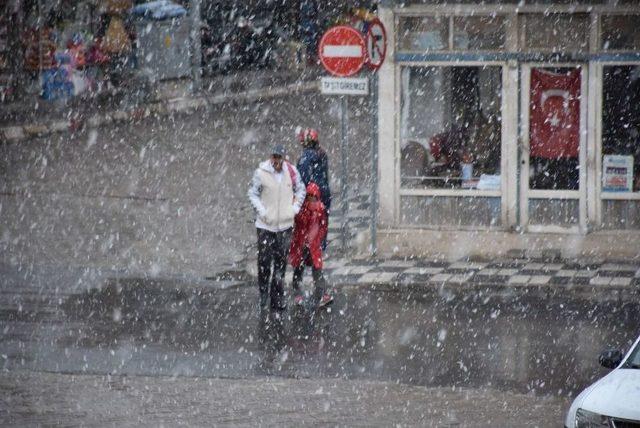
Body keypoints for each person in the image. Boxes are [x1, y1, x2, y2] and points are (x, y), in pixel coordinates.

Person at [248, 144, 306, 311]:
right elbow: (253, 193)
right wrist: (263, 212)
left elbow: (301, 189)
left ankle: (277, 298)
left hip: (285, 226)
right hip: (266, 226)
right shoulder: (261, 173)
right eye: (273, 157)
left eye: (279, 157)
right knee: (264, 262)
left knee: (280, 265)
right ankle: (264, 294)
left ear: (283, 158)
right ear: (270, 157)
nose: (276, 161)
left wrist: (293, 209)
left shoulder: (292, 172)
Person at [289, 182, 333, 309]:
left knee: (317, 270)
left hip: (313, 245)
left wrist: (318, 239)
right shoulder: (301, 209)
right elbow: (298, 223)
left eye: (314, 198)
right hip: (301, 244)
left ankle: (322, 294)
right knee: (299, 269)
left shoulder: (320, 209)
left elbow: (323, 227)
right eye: (309, 198)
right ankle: (298, 293)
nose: (312, 201)